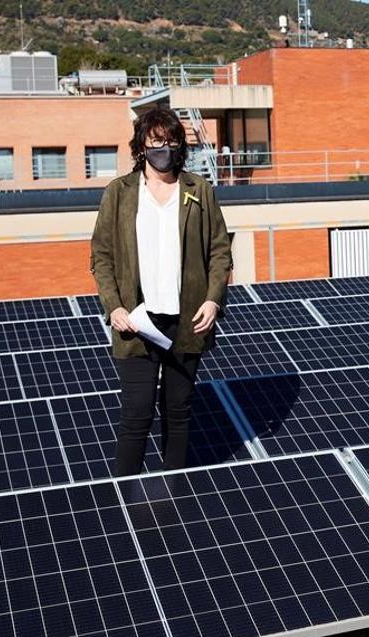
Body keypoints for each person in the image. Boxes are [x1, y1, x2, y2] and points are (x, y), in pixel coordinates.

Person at [89, 108, 233, 476]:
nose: (163, 149)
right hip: (135, 322)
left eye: (170, 142)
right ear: (141, 146)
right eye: (155, 142)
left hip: (187, 321)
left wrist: (213, 299)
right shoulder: (119, 193)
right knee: (136, 414)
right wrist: (114, 307)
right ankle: (124, 499)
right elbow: (101, 256)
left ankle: (173, 489)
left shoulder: (198, 189)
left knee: (178, 411)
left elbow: (220, 251)